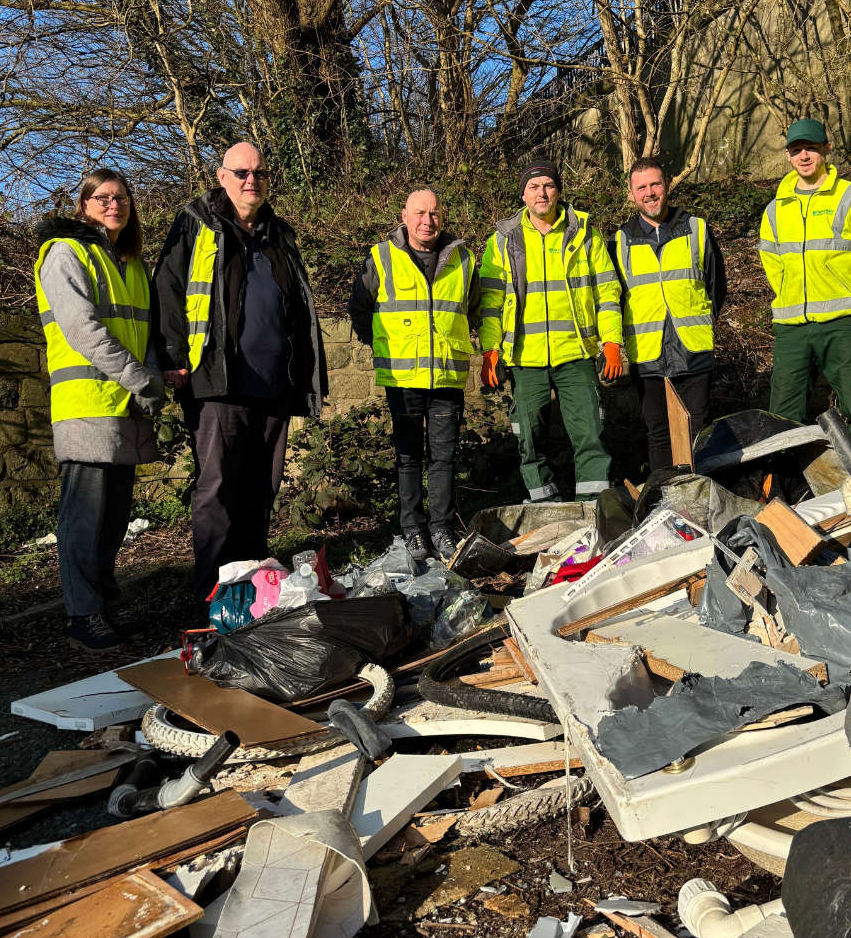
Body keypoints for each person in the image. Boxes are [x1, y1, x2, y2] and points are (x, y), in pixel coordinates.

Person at [154, 142, 327, 604]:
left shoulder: (280, 233)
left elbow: (298, 309)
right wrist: (172, 355)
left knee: (260, 489)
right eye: (242, 172)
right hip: (216, 380)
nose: (252, 180)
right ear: (221, 176)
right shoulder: (196, 223)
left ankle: (252, 591)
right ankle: (212, 593)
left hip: (273, 384)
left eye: (260, 173)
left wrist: (304, 373)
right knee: (217, 488)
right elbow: (168, 289)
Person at [34, 169, 164, 650]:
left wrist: (149, 378)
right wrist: (141, 378)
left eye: (122, 197)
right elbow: (82, 330)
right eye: (103, 198)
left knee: (112, 520)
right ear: (84, 204)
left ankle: (102, 606)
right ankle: (83, 616)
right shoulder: (65, 253)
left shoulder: (131, 264)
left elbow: (147, 334)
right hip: (86, 404)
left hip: (124, 405)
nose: (114, 205)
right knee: (84, 520)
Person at [348, 189, 481, 561]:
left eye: (434, 213)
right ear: (404, 216)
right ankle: (413, 530)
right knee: (408, 457)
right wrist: (384, 345)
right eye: (420, 213)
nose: (427, 221)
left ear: (443, 216)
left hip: (446, 375)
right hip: (403, 377)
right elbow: (359, 308)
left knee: (444, 457)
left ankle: (441, 528)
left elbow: (473, 308)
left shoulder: (463, 258)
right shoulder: (381, 257)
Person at [479, 160, 622, 502]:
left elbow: (607, 292)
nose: (541, 193)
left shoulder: (584, 233)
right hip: (525, 358)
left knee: (590, 434)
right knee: (528, 438)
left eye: (548, 185)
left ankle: (593, 509)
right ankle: (545, 505)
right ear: (523, 195)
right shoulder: (503, 240)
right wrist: (490, 350)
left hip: (576, 353)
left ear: (558, 191)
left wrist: (612, 342)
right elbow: (490, 303)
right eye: (533, 187)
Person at [759, 119, 851, 463]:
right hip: (791, 326)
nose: (803, 156)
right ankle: (787, 482)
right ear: (788, 155)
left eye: (811, 148)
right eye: (796, 150)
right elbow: (771, 261)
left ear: (826, 149)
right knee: (783, 412)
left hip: (841, 321)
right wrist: (788, 293)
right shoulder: (775, 209)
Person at [612, 157, 726, 472]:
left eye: (655, 184)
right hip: (647, 354)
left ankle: (699, 492)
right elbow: (614, 299)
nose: (649, 193)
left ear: (667, 185)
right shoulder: (620, 241)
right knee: (659, 434)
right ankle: (666, 494)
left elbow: (716, 287)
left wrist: (702, 324)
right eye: (641, 187)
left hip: (693, 348)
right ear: (632, 194)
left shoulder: (696, 228)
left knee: (697, 433)